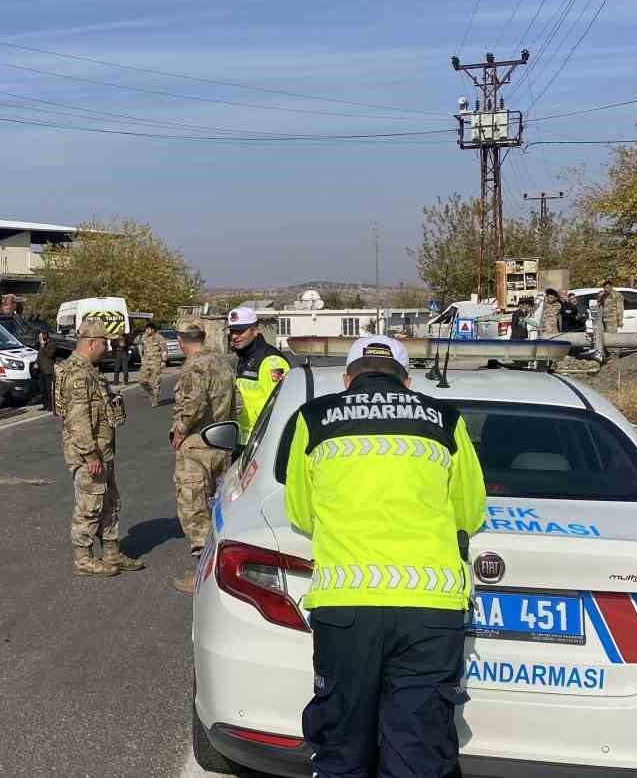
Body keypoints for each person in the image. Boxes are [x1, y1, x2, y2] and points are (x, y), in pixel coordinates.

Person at [282, 336, 486, 778]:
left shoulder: (314, 418)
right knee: (418, 747)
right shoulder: (445, 419)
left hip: (346, 606)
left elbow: (301, 512)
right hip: (430, 610)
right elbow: (469, 511)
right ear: (408, 380)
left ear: (348, 377)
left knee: (341, 746)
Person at [55, 321, 141, 577]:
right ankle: (83, 559)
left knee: (110, 502)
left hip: (103, 451)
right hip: (89, 454)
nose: (108, 347)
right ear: (91, 342)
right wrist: (90, 454)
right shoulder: (78, 375)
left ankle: (112, 553)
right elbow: (78, 420)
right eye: (105, 342)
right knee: (89, 505)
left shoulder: (90, 370)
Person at [168, 323, 241, 593]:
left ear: (180, 340)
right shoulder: (222, 364)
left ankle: (205, 572)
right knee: (217, 507)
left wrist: (179, 431)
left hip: (198, 444)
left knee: (193, 508)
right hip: (221, 442)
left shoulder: (194, 367)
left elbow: (193, 404)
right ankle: (221, 564)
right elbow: (238, 401)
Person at [228, 306, 292, 437]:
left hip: (261, 440)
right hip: (243, 438)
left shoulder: (271, 361)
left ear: (255, 330)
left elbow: (280, 407)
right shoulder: (244, 357)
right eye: (232, 331)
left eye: (240, 331)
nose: (234, 336)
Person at [137, 324, 167, 406]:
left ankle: (155, 399)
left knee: (155, 382)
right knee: (141, 380)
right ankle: (151, 392)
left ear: (153, 329)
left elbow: (164, 350)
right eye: (146, 329)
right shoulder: (144, 337)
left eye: (148, 329)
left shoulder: (159, 338)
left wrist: (164, 361)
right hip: (146, 363)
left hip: (156, 363)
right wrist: (141, 356)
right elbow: (140, 346)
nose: (146, 331)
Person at [35, 331, 57, 414]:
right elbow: (39, 355)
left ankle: (50, 406)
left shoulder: (52, 344)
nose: (40, 339)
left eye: (41, 337)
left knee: (48, 389)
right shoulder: (41, 345)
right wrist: (36, 362)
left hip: (48, 370)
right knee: (42, 389)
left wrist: (43, 346)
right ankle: (45, 405)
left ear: (45, 337)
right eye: (39, 337)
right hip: (41, 370)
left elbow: (50, 354)